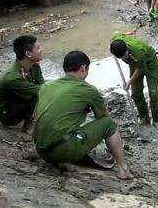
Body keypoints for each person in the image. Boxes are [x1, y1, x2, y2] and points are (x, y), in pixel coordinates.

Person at [32, 50, 132, 180]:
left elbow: (37, 116)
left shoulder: (46, 86)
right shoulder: (87, 89)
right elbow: (103, 117)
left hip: (41, 151)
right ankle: (123, 169)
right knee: (109, 124)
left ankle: (59, 159)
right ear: (84, 68)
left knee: (64, 126)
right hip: (64, 150)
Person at [110, 32, 158, 125]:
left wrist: (129, 82)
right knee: (136, 93)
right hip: (134, 65)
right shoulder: (116, 41)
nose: (125, 57)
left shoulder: (138, 51)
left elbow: (141, 69)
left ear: (126, 48)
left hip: (150, 63)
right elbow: (117, 33)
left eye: (126, 54)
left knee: (153, 92)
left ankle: (156, 119)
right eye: (123, 57)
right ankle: (144, 117)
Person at [0, 35, 44, 133]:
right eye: (38, 48)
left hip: (17, 102)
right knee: (38, 96)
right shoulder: (13, 77)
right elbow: (42, 91)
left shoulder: (34, 65)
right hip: (6, 115)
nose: (42, 50)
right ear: (28, 54)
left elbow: (42, 85)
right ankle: (27, 128)